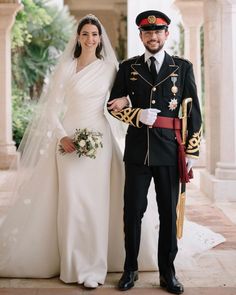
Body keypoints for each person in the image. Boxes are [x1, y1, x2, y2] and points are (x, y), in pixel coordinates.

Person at [0, 14, 128, 289]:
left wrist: (124, 100)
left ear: (99, 38)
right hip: (67, 138)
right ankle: (72, 265)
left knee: (96, 204)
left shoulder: (108, 68)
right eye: (85, 34)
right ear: (78, 37)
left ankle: (94, 267)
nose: (90, 39)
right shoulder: (67, 67)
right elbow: (49, 108)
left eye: (95, 34)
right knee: (71, 202)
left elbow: (123, 96)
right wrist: (61, 137)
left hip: (100, 140)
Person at [107, 10, 202, 294]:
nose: (153, 36)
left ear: (166, 34)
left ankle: (167, 273)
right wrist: (137, 114)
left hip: (171, 151)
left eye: (158, 31)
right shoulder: (128, 68)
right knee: (133, 212)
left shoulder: (182, 67)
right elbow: (112, 105)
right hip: (137, 152)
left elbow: (194, 111)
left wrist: (190, 152)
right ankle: (130, 269)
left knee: (168, 215)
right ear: (141, 36)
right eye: (147, 32)